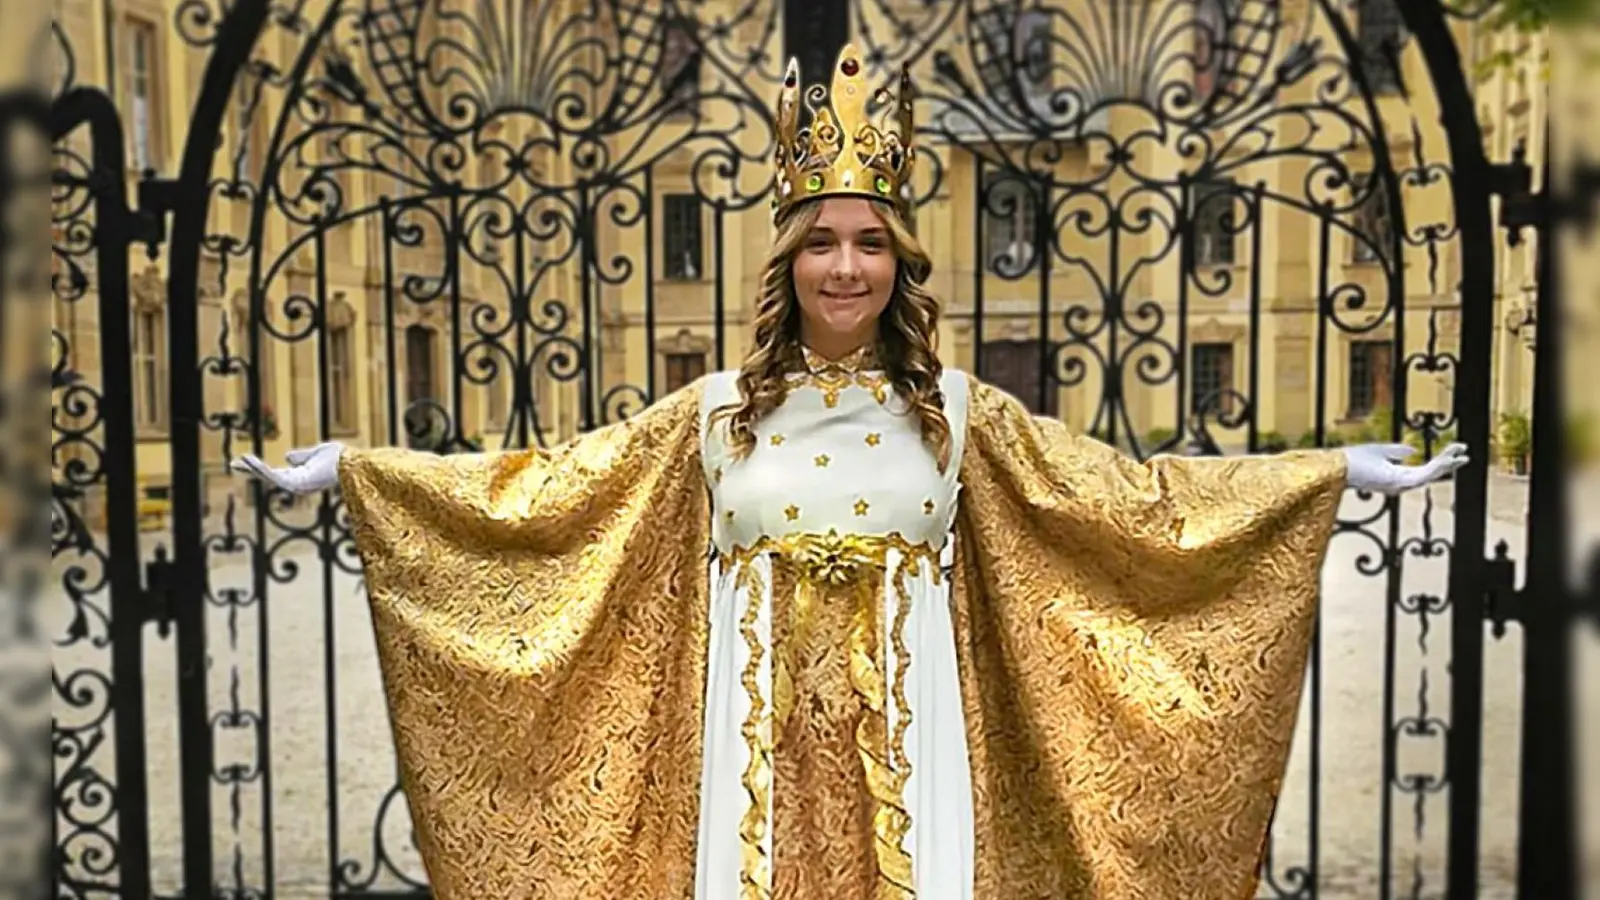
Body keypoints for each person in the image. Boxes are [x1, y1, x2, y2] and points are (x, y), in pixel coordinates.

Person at [232, 45, 1469, 900]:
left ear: (897, 261)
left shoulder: (957, 416)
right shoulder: (711, 416)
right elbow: (547, 491)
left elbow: (1129, 502)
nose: (844, 267)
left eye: (868, 242)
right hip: (753, 720)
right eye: (820, 241)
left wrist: (1325, 472)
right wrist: (361, 470)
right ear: (787, 260)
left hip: (910, 714)